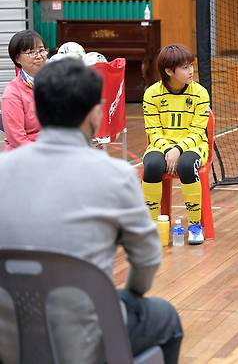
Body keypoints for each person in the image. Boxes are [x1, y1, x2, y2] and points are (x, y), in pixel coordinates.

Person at [0, 58, 182, 363]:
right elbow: (147, 259)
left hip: (9, 336)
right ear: (95, 112)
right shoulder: (115, 176)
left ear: (37, 109)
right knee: (164, 316)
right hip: (84, 339)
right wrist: (131, 296)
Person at [141, 43, 211, 245]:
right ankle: (153, 225)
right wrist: (167, 149)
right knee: (152, 165)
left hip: (193, 146)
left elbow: (198, 132)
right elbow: (152, 131)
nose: (191, 71)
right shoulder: (152, 94)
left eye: (191, 65)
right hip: (161, 145)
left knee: (187, 165)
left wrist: (178, 150)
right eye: (185, 67)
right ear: (169, 71)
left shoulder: (200, 93)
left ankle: (195, 226)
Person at [1, 30, 47, 150]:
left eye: (41, 50)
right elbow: (17, 139)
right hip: (24, 156)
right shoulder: (12, 93)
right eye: (31, 52)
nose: (39, 56)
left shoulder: (55, 83)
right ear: (17, 59)